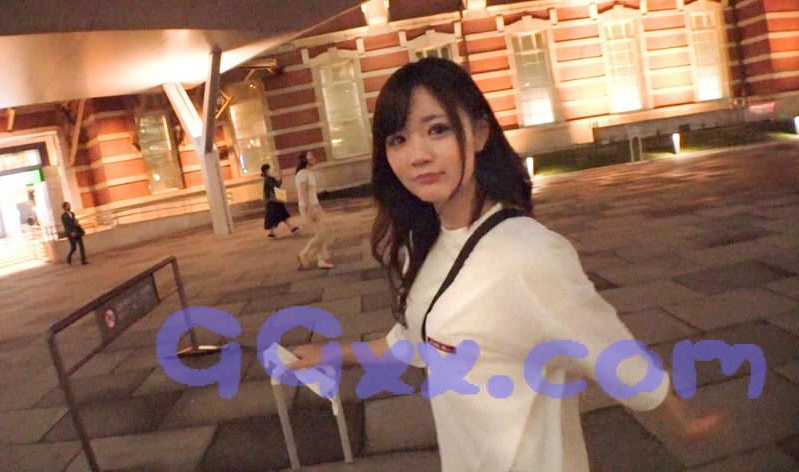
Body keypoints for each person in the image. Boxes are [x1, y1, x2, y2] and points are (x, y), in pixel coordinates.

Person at [289, 58, 717, 471]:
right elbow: (417, 340)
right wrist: (330, 353)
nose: (417, 155)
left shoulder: (528, 254)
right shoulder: (424, 245)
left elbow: (611, 349)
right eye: (398, 139)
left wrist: (681, 419)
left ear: (479, 133)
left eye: (437, 129)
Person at [295, 151, 334, 270]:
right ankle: (304, 255)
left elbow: (311, 193)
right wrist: (310, 208)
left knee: (322, 233)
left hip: (315, 205)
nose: (313, 157)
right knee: (321, 234)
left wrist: (317, 206)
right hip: (308, 207)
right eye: (310, 156)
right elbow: (303, 193)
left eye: (312, 155)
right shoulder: (302, 174)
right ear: (304, 160)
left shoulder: (309, 172)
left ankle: (321, 260)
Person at [261, 163, 300, 239]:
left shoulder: (267, 178)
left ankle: (272, 233)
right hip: (274, 201)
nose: (271, 170)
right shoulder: (268, 179)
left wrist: (280, 177)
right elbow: (276, 185)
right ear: (266, 170)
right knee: (281, 214)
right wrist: (280, 177)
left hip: (272, 201)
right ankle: (292, 228)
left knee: (276, 215)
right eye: (269, 168)